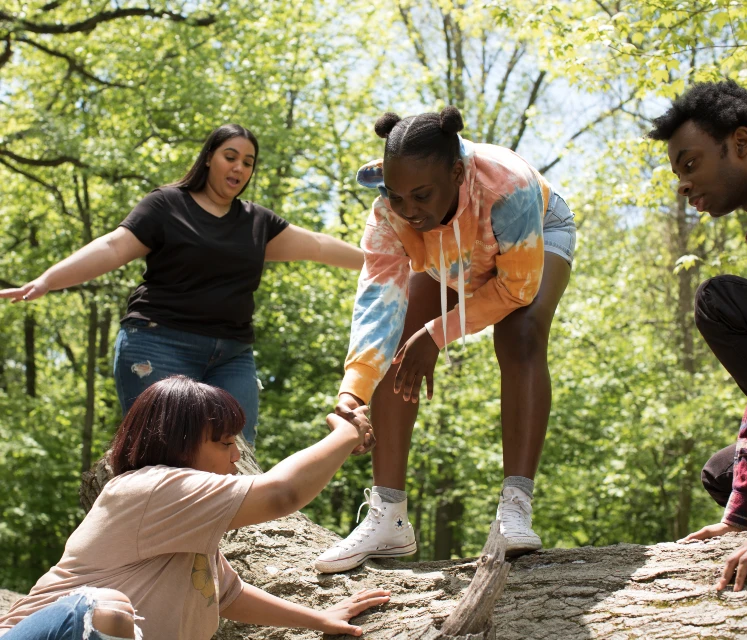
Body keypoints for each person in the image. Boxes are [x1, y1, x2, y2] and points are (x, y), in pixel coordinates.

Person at [314, 106, 576, 573]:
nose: (408, 209)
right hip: (448, 252)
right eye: (397, 195)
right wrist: (351, 392)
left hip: (530, 234)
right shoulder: (392, 213)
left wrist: (438, 333)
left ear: (456, 172)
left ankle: (515, 508)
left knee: (521, 334)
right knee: (397, 343)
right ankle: (389, 516)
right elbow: (377, 303)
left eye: (420, 194)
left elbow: (516, 288)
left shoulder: (507, 188)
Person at [0, 124, 363, 444]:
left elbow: (317, 244)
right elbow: (112, 246)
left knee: (236, 454)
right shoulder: (166, 206)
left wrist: (386, 264)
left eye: (248, 162)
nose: (239, 167)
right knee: (169, 452)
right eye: (230, 156)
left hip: (232, 355)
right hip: (159, 345)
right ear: (208, 158)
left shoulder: (257, 222)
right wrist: (47, 280)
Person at [0, 375, 387, 639]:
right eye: (223, 443)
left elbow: (226, 595)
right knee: (107, 609)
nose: (236, 456)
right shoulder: (149, 488)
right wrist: (346, 433)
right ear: (178, 443)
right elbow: (282, 494)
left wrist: (320, 619)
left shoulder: (183, 529)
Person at [648, 79, 747, 591]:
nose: (683, 185)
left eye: (690, 164)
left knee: (717, 299)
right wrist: (742, 515)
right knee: (724, 473)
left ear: (740, 142)